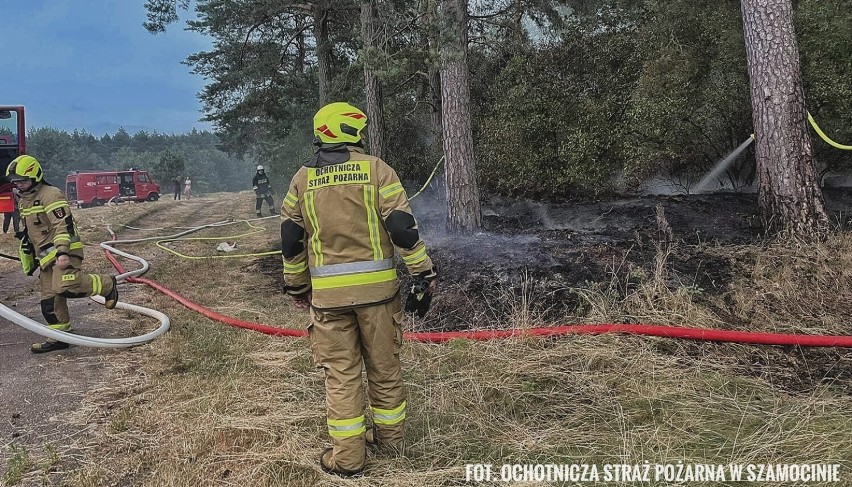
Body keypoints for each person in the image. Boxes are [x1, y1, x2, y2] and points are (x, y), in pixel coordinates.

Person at [280, 102, 437, 477]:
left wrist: (297, 286)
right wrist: (423, 272)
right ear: (352, 133)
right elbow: (401, 227)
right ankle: (391, 442)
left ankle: (348, 458)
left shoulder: (302, 179)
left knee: (341, 373)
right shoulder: (376, 170)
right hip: (379, 296)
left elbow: (291, 238)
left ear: (321, 133)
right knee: (384, 367)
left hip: (329, 300)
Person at [6, 155, 119, 353]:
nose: (19, 185)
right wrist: (30, 256)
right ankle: (60, 336)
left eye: (23, 180)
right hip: (46, 258)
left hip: (64, 252)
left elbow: (62, 226)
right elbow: (30, 231)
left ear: (35, 176)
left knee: (67, 286)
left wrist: (63, 252)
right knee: (49, 300)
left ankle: (107, 284)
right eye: (16, 181)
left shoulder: (51, 195)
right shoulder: (24, 200)